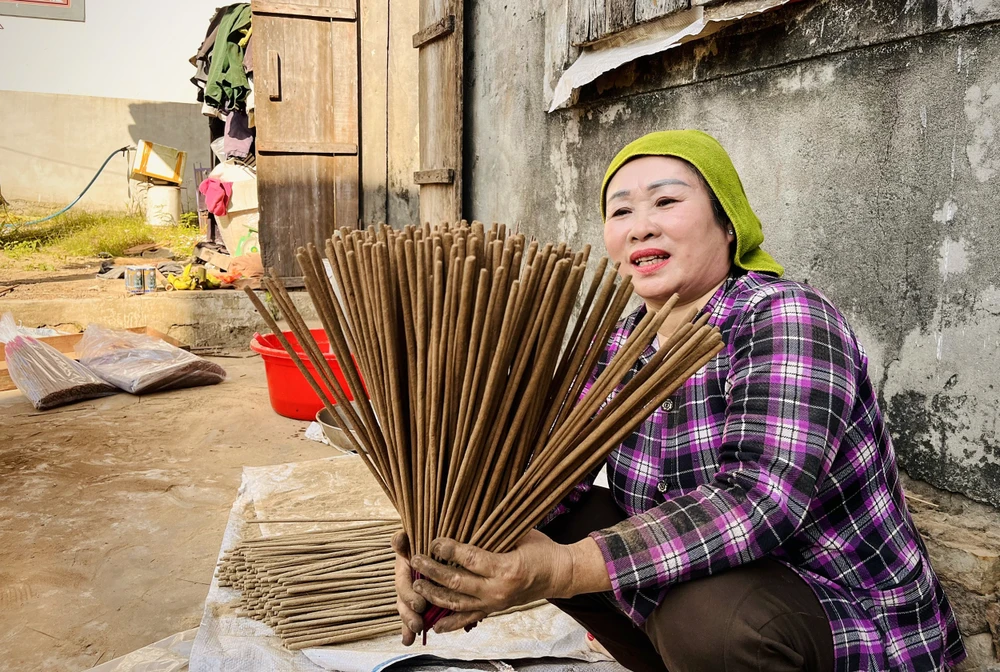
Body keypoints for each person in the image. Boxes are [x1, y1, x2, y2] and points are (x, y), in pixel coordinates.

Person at [391, 130, 966, 671]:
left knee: (710, 620)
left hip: (835, 609)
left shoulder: (786, 317)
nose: (641, 227)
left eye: (665, 202)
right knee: (550, 521)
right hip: (701, 586)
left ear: (727, 222)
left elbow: (760, 503)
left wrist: (562, 571)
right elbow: (547, 478)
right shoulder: (624, 339)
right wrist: (441, 552)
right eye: (621, 211)